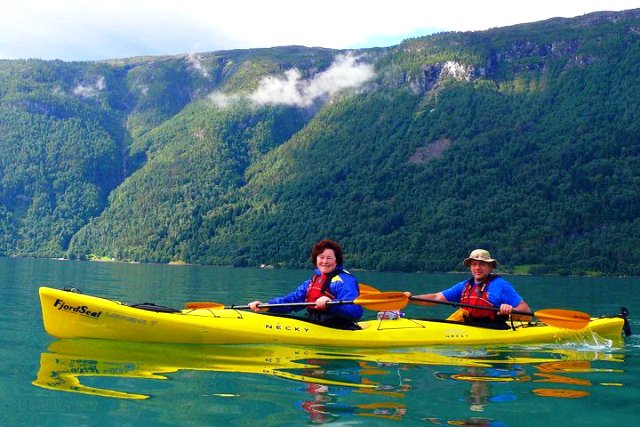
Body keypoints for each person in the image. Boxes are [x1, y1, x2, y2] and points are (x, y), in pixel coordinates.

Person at [248, 239, 363, 329]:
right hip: (313, 322)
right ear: (316, 260)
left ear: (336, 260)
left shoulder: (344, 281)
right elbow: (292, 300)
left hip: (337, 326)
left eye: (329, 258)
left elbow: (355, 311)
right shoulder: (312, 281)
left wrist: (331, 304)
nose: (325, 261)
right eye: (321, 257)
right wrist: (267, 306)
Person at [410, 249, 531, 328]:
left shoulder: (500, 286)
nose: (477, 268)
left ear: (490, 267)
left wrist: (511, 309)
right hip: (469, 326)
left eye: (482, 264)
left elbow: (526, 310)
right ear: (470, 267)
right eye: (474, 264)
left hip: (495, 328)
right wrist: (411, 299)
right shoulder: (464, 286)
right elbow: (437, 297)